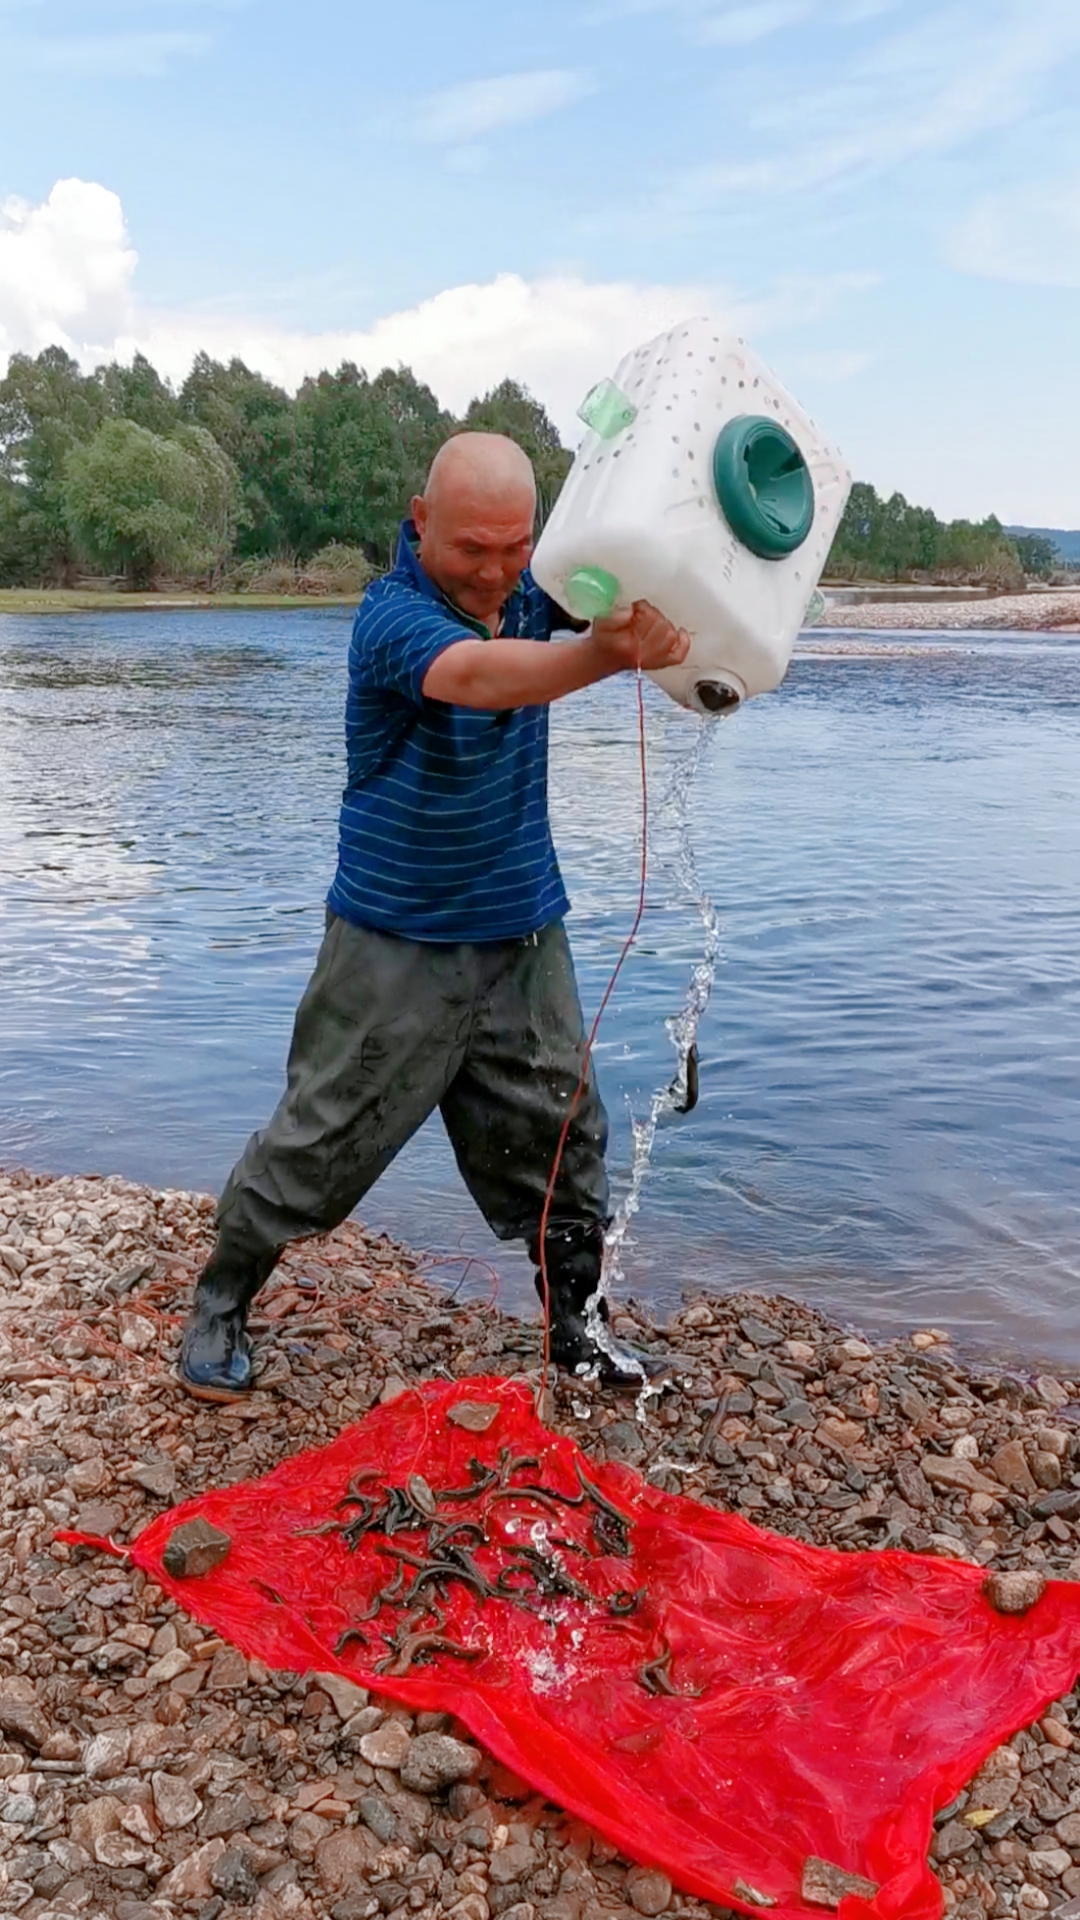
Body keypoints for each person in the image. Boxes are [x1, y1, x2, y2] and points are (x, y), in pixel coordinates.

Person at [178, 431, 689, 1402]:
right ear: (420, 526)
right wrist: (603, 656)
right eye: (472, 549)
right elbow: (477, 675)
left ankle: (575, 1325)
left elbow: (621, 585)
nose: (497, 572)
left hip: (525, 933)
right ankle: (220, 1301)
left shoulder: (542, 593)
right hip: (391, 941)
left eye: (515, 546)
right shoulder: (391, 617)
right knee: (317, 1142)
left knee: (564, 1134)